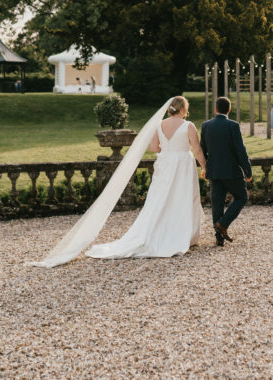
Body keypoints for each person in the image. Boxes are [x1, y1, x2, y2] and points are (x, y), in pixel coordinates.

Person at [27, 95, 209, 267]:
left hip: (165, 164)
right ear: (183, 110)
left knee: (159, 200)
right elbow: (198, 149)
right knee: (182, 198)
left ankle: (156, 233)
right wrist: (205, 167)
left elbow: (154, 147)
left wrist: (168, 150)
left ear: (170, 109)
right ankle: (184, 235)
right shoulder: (188, 126)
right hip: (182, 165)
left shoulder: (159, 125)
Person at [201, 96, 254, 246]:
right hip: (231, 171)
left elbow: (202, 150)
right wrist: (248, 171)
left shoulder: (206, 126)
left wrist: (205, 168)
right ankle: (223, 224)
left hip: (214, 171)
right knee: (242, 197)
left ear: (215, 109)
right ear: (229, 109)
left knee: (217, 204)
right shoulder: (233, 125)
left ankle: (219, 237)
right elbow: (240, 151)